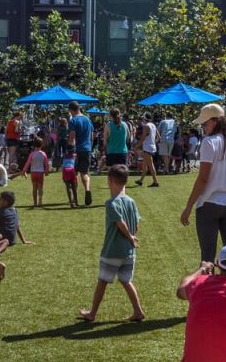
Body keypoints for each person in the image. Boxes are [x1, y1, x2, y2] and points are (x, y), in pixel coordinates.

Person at [180, 104, 226, 264]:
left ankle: (207, 289)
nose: (202, 127)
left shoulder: (209, 142)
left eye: (205, 123)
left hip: (209, 205)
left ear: (216, 121)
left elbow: (203, 178)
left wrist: (188, 206)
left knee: (207, 258)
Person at [78, 164, 143, 323]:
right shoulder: (131, 201)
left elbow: (121, 223)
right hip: (128, 251)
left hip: (113, 250)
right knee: (126, 281)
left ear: (110, 180)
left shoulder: (111, 203)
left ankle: (92, 313)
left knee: (102, 281)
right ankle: (138, 312)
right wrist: (133, 237)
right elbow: (137, 222)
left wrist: (129, 236)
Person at [0, 190, 32, 255]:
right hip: (12, 241)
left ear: (5, 202)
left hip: (1, 236)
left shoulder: (1, 211)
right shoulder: (14, 209)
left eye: (0, 199)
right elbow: (17, 226)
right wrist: (24, 241)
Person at [66, 101, 94, 206]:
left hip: (76, 150)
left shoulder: (73, 121)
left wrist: (69, 149)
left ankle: (74, 197)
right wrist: (89, 146)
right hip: (87, 149)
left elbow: (72, 137)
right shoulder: (88, 119)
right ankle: (87, 190)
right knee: (85, 173)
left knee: (74, 174)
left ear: (71, 110)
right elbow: (91, 136)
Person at [16, 137, 50, 208]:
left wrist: (24, 171)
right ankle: (40, 201)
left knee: (34, 188)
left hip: (33, 172)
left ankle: (35, 202)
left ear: (34, 145)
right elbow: (46, 164)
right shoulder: (43, 154)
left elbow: (27, 163)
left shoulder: (32, 154)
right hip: (40, 172)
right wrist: (47, 171)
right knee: (40, 187)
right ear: (41, 145)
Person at [135, 113, 160, 188]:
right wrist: (153, 142)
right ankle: (141, 181)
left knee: (150, 165)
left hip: (147, 148)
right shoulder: (153, 125)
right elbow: (159, 137)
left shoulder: (146, 126)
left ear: (144, 119)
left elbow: (142, 138)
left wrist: (136, 146)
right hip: (152, 147)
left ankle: (155, 181)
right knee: (145, 164)